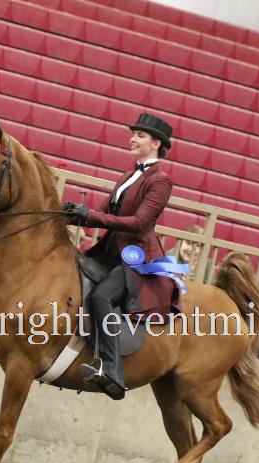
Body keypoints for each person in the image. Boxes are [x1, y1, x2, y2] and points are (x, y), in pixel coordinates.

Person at [62, 113, 177, 400]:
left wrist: (91, 216)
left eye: (140, 135)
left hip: (136, 258)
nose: (133, 139)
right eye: (133, 134)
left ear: (156, 144)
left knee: (101, 297)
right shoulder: (127, 177)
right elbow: (103, 212)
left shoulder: (161, 181)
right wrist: (76, 214)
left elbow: (139, 223)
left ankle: (112, 369)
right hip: (111, 251)